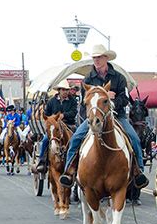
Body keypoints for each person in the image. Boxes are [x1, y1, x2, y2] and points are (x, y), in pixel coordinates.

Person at [59, 44, 149, 190]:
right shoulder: (88, 79)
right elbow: (84, 102)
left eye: (99, 57)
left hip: (116, 116)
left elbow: (125, 98)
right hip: (95, 117)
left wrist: (111, 101)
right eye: (94, 58)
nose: (96, 60)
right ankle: (69, 171)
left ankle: (138, 172)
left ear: (106, 58)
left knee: (134, 138)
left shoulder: (119, 78)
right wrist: (92, 113)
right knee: (76, 138)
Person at [36, 80, 78, 173]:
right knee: (46, 140)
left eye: (67, 90)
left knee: (78, 139)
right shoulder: (52, 101)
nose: (66, 92)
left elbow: (74, 112)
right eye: (63, 90)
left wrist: (64, 115)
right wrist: (53, 119)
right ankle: (42, 161)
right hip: (54, 126)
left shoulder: (73, 101)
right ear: (59, 90)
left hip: (69, 124)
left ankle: (78, 161)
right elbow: (46, 114)